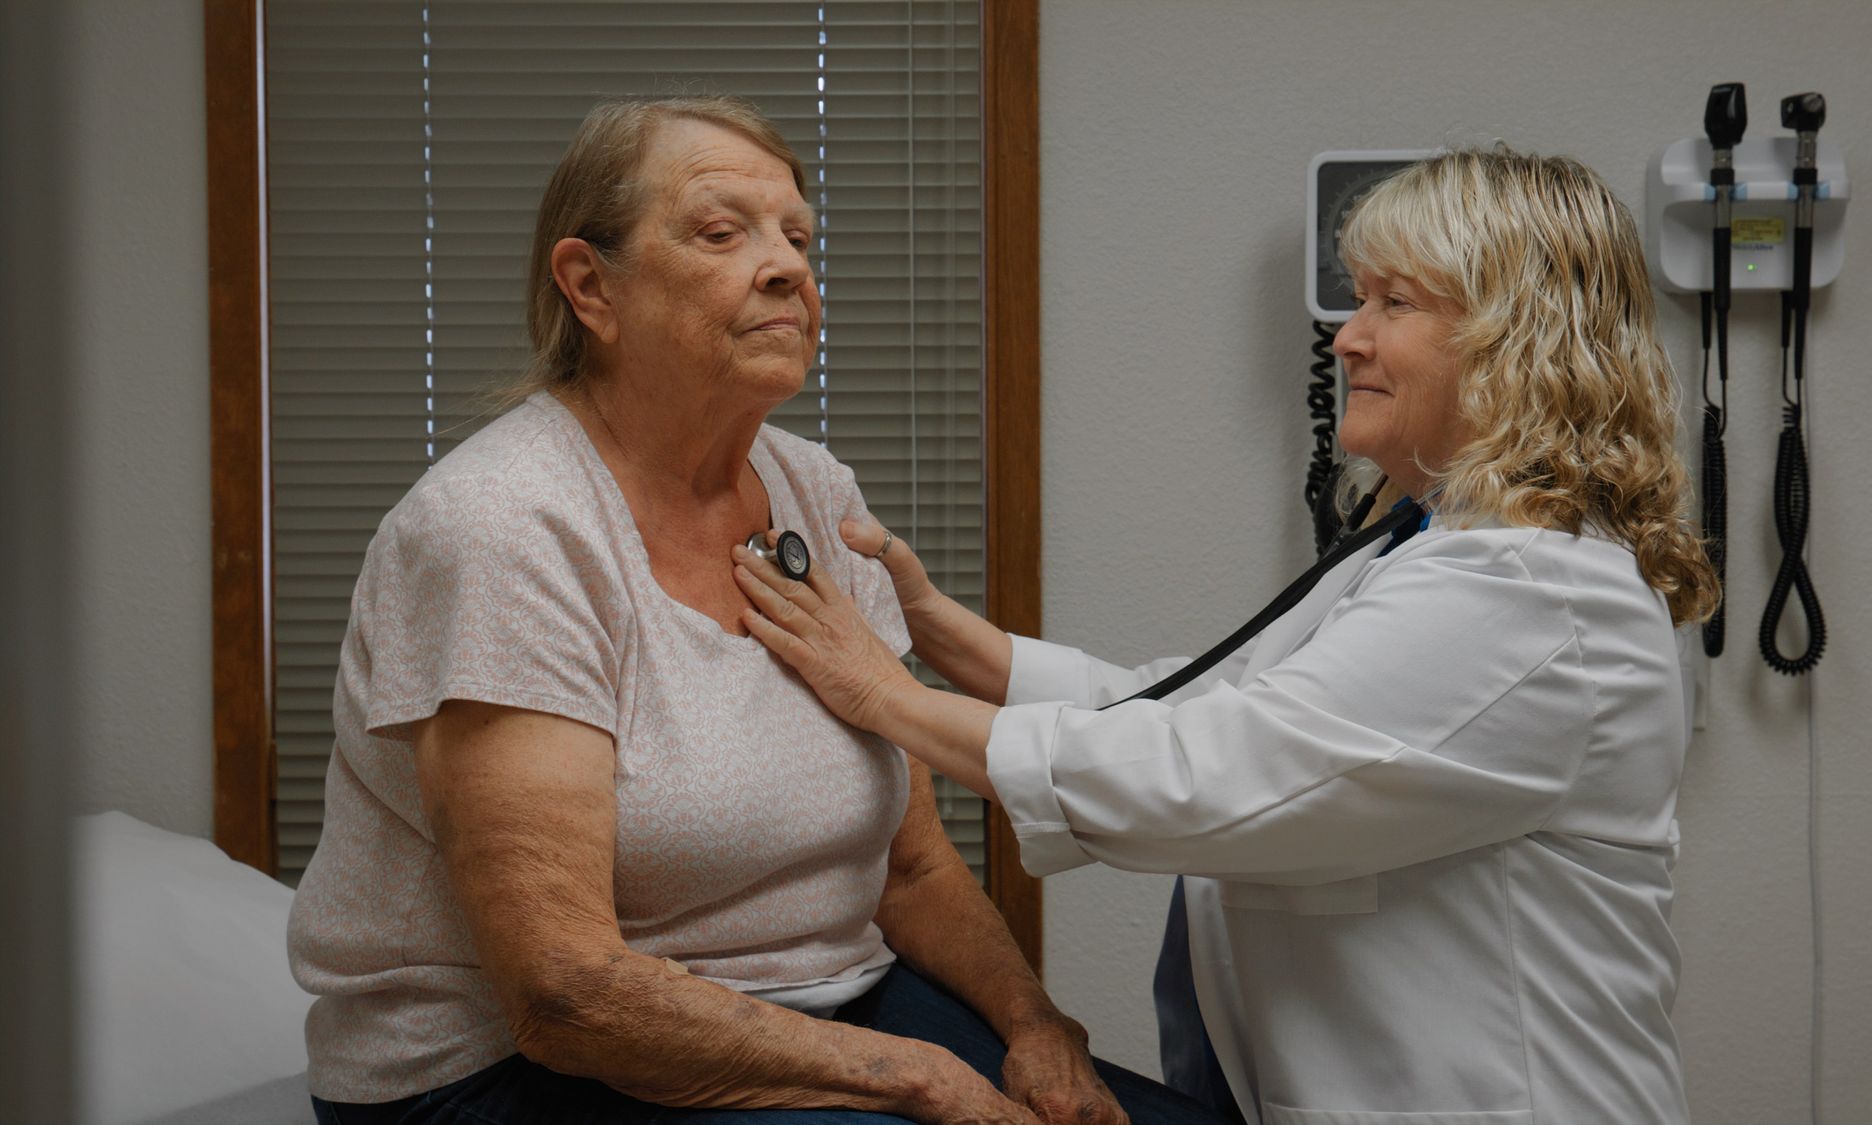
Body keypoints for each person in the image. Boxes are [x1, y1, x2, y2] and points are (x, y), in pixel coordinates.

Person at [288, 95, 1225, 1125]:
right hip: (510, 1071)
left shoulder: (815, 495)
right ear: (589, 286)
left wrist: (1037, 1027)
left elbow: (908, 867)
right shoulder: (504, 529)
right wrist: (917, 1077)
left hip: (834, 1003)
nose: (787, 267)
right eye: (720, 233)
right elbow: (564, 996)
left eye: (797, 238)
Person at [733, 148, 1720, 1125]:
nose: (1346, 338)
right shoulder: (1430, 544)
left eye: (1392, 304)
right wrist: (946, 637)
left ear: (1513, 339)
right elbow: (1204, 704)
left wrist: (887, 698)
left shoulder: (1526, 588)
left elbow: (1220, 773)